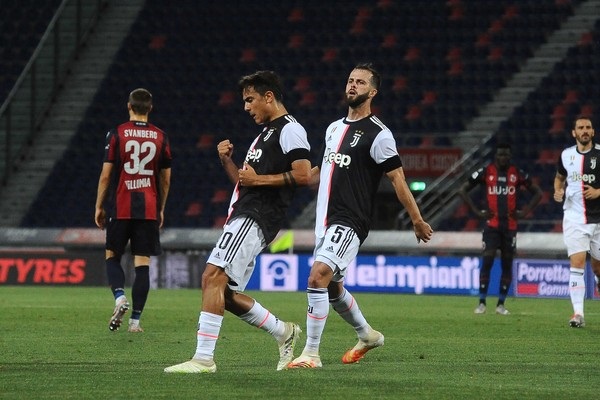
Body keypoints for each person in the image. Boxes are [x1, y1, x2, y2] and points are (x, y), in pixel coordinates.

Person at [287, 63, 433, 369]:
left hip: (350, 220)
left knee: (316, 276)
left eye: (360, 82)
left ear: (372, 91)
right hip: (323, 222)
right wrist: (285, 180)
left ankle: (311, 354)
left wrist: (417, 219)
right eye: (350, 80)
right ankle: (366, 334)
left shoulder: (379, 134)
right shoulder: (333, 128)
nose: (353, 85)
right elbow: (320, 171)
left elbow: (397, 179)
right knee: (331, 286)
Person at [164, 71, 311, 373]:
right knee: (224, 294)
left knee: (211, 277)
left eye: (250, 99)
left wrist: (260, 179)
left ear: (269, 96)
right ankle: (283, 331)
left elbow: (303, 174)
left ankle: (204, 359)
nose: (246, 107)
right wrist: (227, 162)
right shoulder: (265, 134)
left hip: (255, 216)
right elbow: (246, 183)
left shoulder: (290, 130)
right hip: (245, 212)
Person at [94, 88, 172, 333]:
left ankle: (119, 297)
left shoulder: (117, 133)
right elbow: (166, 178)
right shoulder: (161, 137)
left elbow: (106, 174)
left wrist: (99, 205)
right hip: (148, 207)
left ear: (129, 106)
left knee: (112, 256)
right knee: (142, 263)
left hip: (121, 204)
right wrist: (161, 207)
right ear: (150, 108)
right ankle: (135, 322)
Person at [458, 143, 542, 315]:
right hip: (491, 227)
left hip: (510, 227)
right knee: (487, 261)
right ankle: (481, 303)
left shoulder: (517, 173)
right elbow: (463, 190)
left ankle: (500, 305)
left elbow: (538, 193)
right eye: (500, 155)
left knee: (507, 264)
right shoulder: (486, 172)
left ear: (510, 157)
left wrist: (524, 212)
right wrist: (477, 212)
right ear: (496, 156)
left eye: (506, 155)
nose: (503, 158)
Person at [554, 117, 600, 328]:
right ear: (574, 133)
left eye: (588, 127)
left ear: (593, 132)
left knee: (598, 268)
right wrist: (558, 190)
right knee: (578, 263)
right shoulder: (566, 155)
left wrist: (598, 191)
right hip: (574, 218)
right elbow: (559, 177)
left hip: (598, 220)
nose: (584, 131)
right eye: (580, 127)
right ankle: (578, 314)